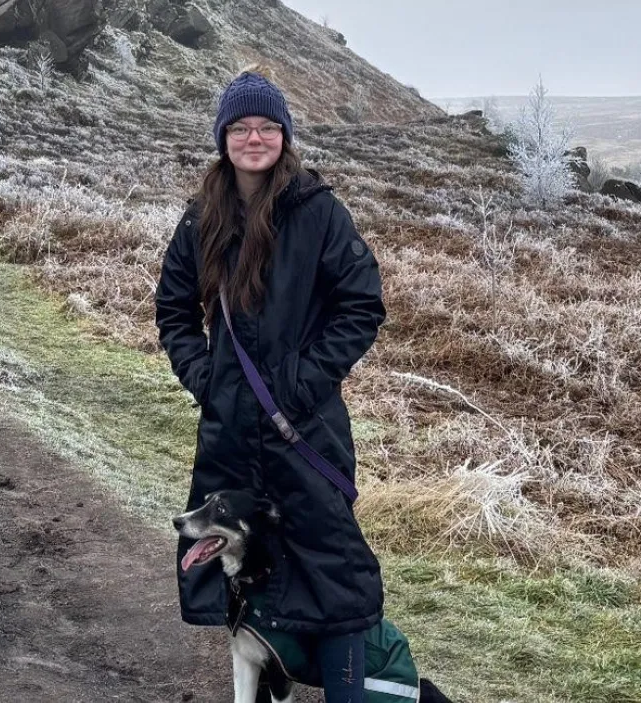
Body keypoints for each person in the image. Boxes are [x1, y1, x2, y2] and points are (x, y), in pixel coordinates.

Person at [155, 66, 386, 702]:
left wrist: (304, 383)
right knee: (244, 578)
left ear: (284, 135)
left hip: (305, 428)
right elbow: (174, 310)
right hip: (231, 431)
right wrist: (207, 379)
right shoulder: (202, 218)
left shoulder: (318, 212)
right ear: (222, 137)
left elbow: (361, 304)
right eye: (240, 127)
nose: (253, 138)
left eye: (266, 127)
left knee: (334, 578)